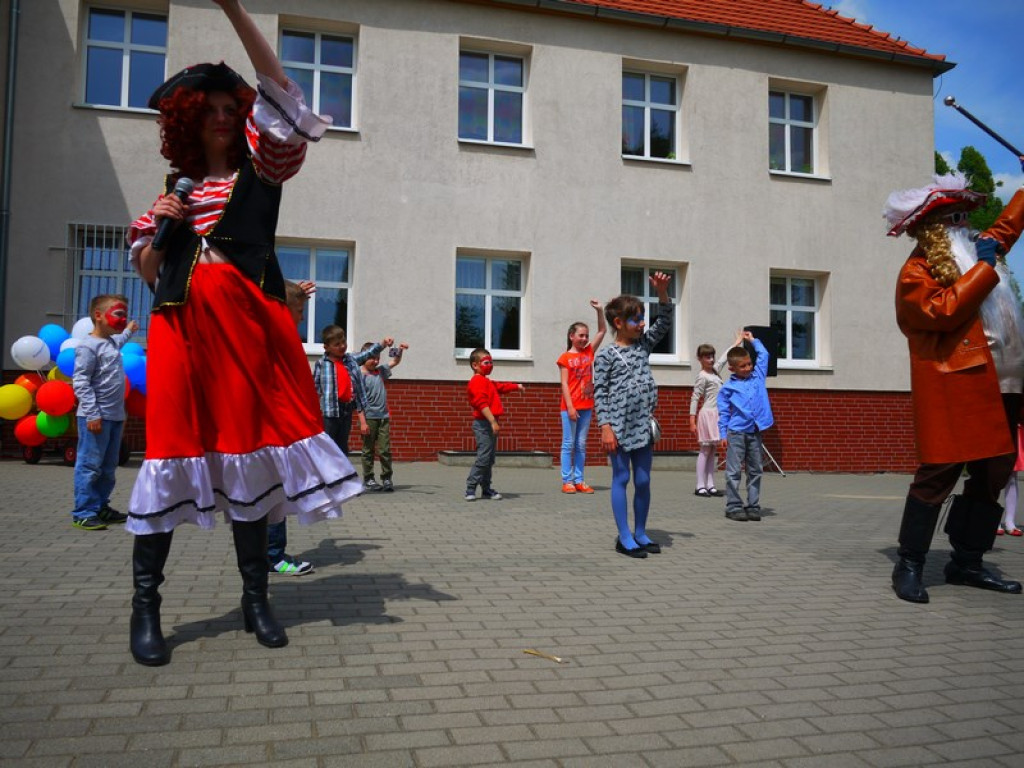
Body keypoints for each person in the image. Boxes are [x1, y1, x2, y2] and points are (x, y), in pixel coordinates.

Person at [124, 0, 363, 666]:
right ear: (190, 121)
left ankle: (258, 600)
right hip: (180, 334)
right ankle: (146, 608)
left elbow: (282, 91)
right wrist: (163, 225)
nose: (227, 118)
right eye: (214, 111)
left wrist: (233, 9)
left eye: (234, 109)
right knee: (170, 453)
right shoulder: (171, 195)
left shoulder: (265, 171)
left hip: (248, 334)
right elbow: (147, 271)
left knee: (251, 449)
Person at [884, 170, 1024, 603]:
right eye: (954, 218)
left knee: (993, 475)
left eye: (966, 215)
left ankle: (967, 561)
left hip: (1006, 380)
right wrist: (984, 267)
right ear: (931, 227)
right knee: (938, 472)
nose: (965, 223)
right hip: (956, 383)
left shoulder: (978, 251)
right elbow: (941, 311)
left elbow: (1005, 227)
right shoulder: (919, 269)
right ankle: (909, 563)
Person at [593, 271, 672, 558]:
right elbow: (599, 392)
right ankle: (624, 536)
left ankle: (640, 532)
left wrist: (662, 293)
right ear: (618, 323)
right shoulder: (606, 356)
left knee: (643, 480)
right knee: (621, 477)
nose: (642, 324)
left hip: (642, 425)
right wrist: (605, 426)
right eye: (636, 319)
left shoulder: (643, 346)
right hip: (617, 425)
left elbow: (664, 323)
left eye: (642, 318)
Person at [69, 294, 139, 531]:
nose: (122, 319)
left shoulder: (109, 343)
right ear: (98, 316)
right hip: (96, 417)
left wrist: (129, 330)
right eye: (119, 314)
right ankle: (83, 512)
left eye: (125, 315)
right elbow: (81, 381)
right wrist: (92, 414)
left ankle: (100, 506)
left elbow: (119, 341)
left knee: (108, 468)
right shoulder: (87, 346)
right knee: (90, 466)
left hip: (115, 416)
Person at [265, 279, 318, 576]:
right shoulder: (271, 338)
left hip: (277, 431)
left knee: (271, 495)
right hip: (272, 434)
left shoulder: (277, 337)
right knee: (275, 495)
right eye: (298, 311)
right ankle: (273, 556)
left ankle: (266, 555)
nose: (301, 318)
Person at [717, 331, 774, 522]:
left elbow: (764, 355)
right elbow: (724, 413)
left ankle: (753, 505)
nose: (748, 368)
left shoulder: (757, 377)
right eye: (743, 366)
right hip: (736, 432)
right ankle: (733, 506)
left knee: (755, 469)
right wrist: (722, 434)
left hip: (755, 432)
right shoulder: (727, 389)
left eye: (749, 364)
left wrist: (752, 340)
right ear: (732, 369)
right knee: (733, 471)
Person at [313, 326, 392, 462]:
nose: (342, 346)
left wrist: (383, 343)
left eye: (343, 342)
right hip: (329, 412)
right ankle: (324, 476)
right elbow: (315, 388)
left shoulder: (351, 360)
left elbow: (368, 353)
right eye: (337, 344)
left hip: (346, 410)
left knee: (342, 446)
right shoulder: (321, 364)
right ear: (326, 347)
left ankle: (341, 477)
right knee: (327, 446)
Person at [556, 300, 606, 494]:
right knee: (568, 444)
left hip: (586, 405)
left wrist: (600, 311)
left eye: (586, 335)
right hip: (570, 406)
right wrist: (569, 407)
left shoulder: (588, 352)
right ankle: (567, 480)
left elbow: (602, 330)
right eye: (581, 335)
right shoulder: (564, 358)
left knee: (581, 444)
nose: (585, 338)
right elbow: (564, 384)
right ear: (571, 336)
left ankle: (579, 480)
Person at [465, 347, 524, 501]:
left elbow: (500, 387)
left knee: (489, 459)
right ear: (475, 365)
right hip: (484, 424)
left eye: (491, 362)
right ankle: (470, 488)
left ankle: (486, 489)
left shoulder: (486, 381)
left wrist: (516, 386)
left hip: (490, 424)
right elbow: (481, 403)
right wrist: (492, 421)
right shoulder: (476, 382)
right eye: (486, 362)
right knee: (483, 458)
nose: (490, 365)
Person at [689, 334, 738, 498]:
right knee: (704, 450)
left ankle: (710, 484)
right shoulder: (702, 376)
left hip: (717, 414)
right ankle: (699, 485)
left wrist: (736, 343)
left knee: (713, 450)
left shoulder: (715, 371)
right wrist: (692, 420)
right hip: (707, 414)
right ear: (700, 359)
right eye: (707, 357)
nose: (710, 359)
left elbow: (724, 359)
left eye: (711, 356)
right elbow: (695, 398)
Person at [359, 340, 408, 492]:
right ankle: (369, 479)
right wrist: (362, 423)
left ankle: (387, 478)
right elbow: (358, 401)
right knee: (368, 450)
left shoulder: (380, 372)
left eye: (377, 358)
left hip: (383, 417)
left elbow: (395, 361)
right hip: (369, 418)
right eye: (372, 358)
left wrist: (399, 350)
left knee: (385, 449)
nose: (375, 361)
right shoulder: (360, 376)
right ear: (363, 358)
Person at [998, 424, 1024, 537]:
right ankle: (993, 520)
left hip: (1016, 426)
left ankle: (1010, 521)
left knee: (1012, 476)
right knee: (994, 475)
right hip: (997, 426)